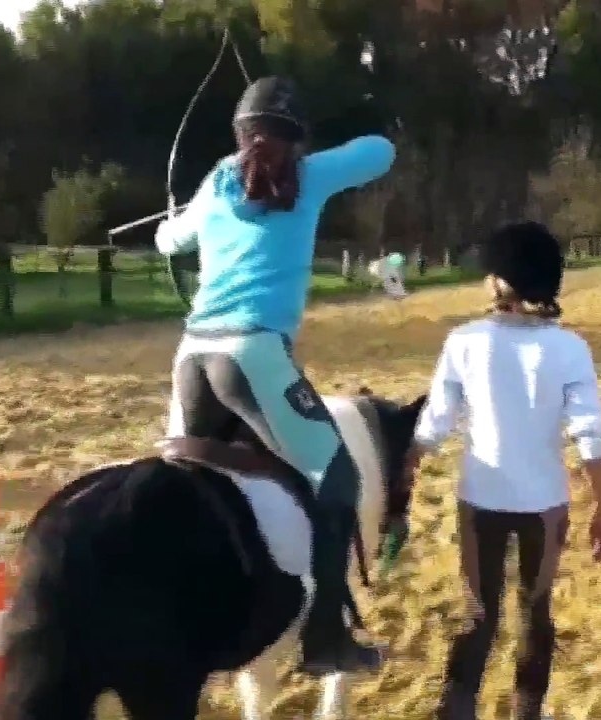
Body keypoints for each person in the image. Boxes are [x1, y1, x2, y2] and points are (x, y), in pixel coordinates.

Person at [154, 76, 396, 675]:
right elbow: (381, 151)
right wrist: (309, 159)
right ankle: (323, 639)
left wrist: (175, 216)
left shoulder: (214, 182)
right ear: (296, 138)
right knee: (337, 479)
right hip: (252, 357)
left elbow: (167, 241)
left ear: (240, 134)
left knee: (187, 486)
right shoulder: (309, 177)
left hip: (190, 358)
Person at [405, 222, 601, 720]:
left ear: (503, 283)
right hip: (545, 507)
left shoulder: (465, 341)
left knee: (479, 612)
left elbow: (434, 424)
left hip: (480, 501)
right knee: (535, 611)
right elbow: (590, 438)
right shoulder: (570, 349)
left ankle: (456, 710)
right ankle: (527, 711)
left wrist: (406, 470)